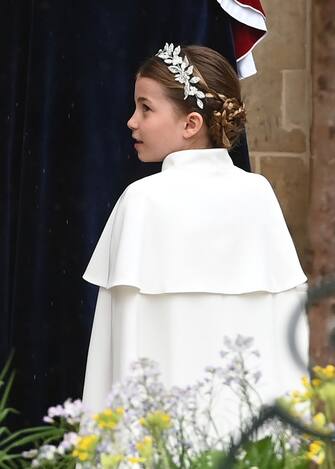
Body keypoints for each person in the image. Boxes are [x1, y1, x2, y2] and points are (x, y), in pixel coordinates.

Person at [81, 43, 309, 425]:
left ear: (191, 124)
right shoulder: (258, 195)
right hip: (249, 444)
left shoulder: (142, 200)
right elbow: (288, 344)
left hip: (160, 439)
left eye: (145, 108)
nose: (131, 122)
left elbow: (114, 351)